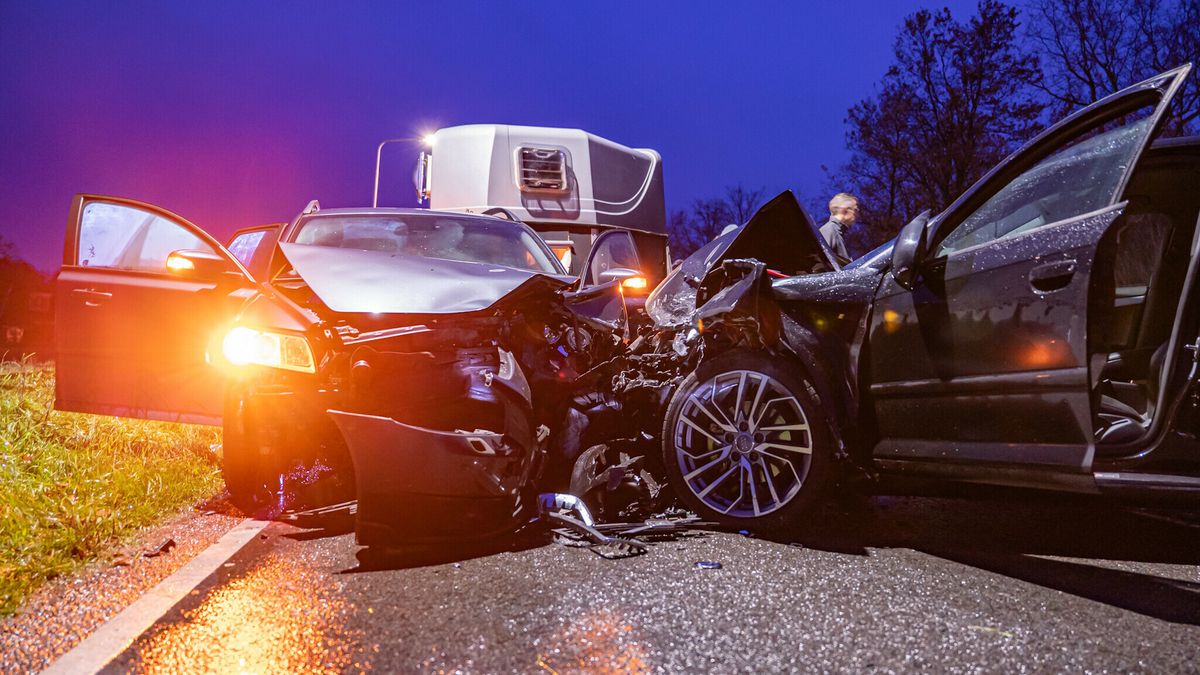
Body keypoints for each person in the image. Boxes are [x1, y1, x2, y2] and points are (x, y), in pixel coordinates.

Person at [819, 193, 859, 261]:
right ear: (845, 209)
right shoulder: (829, 230)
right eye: (855, 210)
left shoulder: (838, 233)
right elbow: (819, 264)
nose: (857, 214)